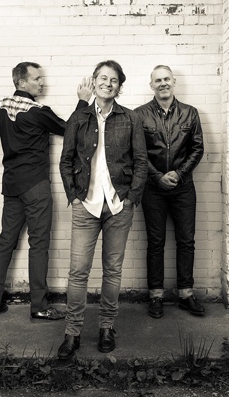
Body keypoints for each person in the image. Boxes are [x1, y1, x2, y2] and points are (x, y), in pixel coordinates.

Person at [0, 62, 93, 322]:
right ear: (22, 82)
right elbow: (69, 130)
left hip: (12, 186)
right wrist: (83, 102)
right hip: (36, 186)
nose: (42, 83)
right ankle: (39, 306)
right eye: (37, 79)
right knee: (38, 245)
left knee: (5, 241)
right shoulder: (38, 112)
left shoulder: (1, 107)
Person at [57, 60, 147, 359]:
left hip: (119, 204)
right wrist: (73, 196)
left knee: (112, 270)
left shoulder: (131, 119)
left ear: (119, 86)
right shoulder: (78, 117)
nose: (107, 83)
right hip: (86, 204)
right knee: (78, 271)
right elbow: (65, 160)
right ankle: (72, 332)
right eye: (103, 78)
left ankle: (107, 326)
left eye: (114, 80)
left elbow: (141, 161)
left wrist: (132, 197)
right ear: (94, 82)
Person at [134, 65, 205, 319]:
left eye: (166, 79)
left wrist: (179, 173)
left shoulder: (190, 113)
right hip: (152, 189)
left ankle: (186, 294)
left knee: (186, 241)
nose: (163, 83)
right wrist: (157, 176)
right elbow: (137, 153)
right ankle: (156, 296)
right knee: (155, 243)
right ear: (151, 85)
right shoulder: (139, 115)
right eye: (158, 80)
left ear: (173, 82)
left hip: (183, 187)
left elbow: (197, 149)